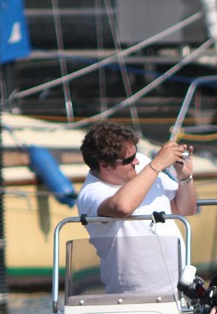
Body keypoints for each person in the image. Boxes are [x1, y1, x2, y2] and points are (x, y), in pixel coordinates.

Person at [77, 121, 196, 294]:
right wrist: (156, 165)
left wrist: (185, 177)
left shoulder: (144, 166)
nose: (137, 161)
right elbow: (122, 207)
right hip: (130, 298)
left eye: (136, 154)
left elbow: (185, 209)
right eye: (129, 159)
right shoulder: (91, 193)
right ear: (104, 165)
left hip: (178, 291)